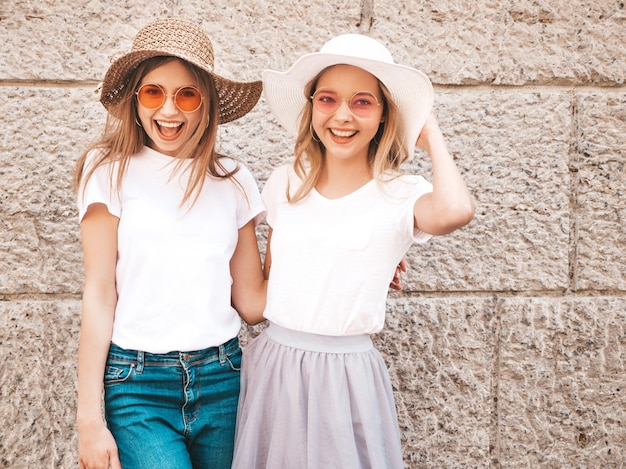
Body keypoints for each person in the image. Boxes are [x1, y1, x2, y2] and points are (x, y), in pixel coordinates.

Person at [232, 34, 475, 468]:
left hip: (347, 373)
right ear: (311, 108)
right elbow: (267, 289)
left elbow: (455, 210)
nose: (342, 115)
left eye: (363, 102)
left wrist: (431, 131)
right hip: (276, 364)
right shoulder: (284, 183)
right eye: (327, 99)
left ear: (384, 115)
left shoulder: (401, 193)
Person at [74, 19, 267, 469]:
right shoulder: (107, 170)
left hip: (224, 379)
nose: (169, 111)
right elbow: (100, 293)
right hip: (138, 385)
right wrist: (89, 419)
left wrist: (347, 261)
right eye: (153, 92)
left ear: (206, 104)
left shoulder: (233, 180)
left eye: (187, 94)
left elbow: (253, 303)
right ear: (134, 99)